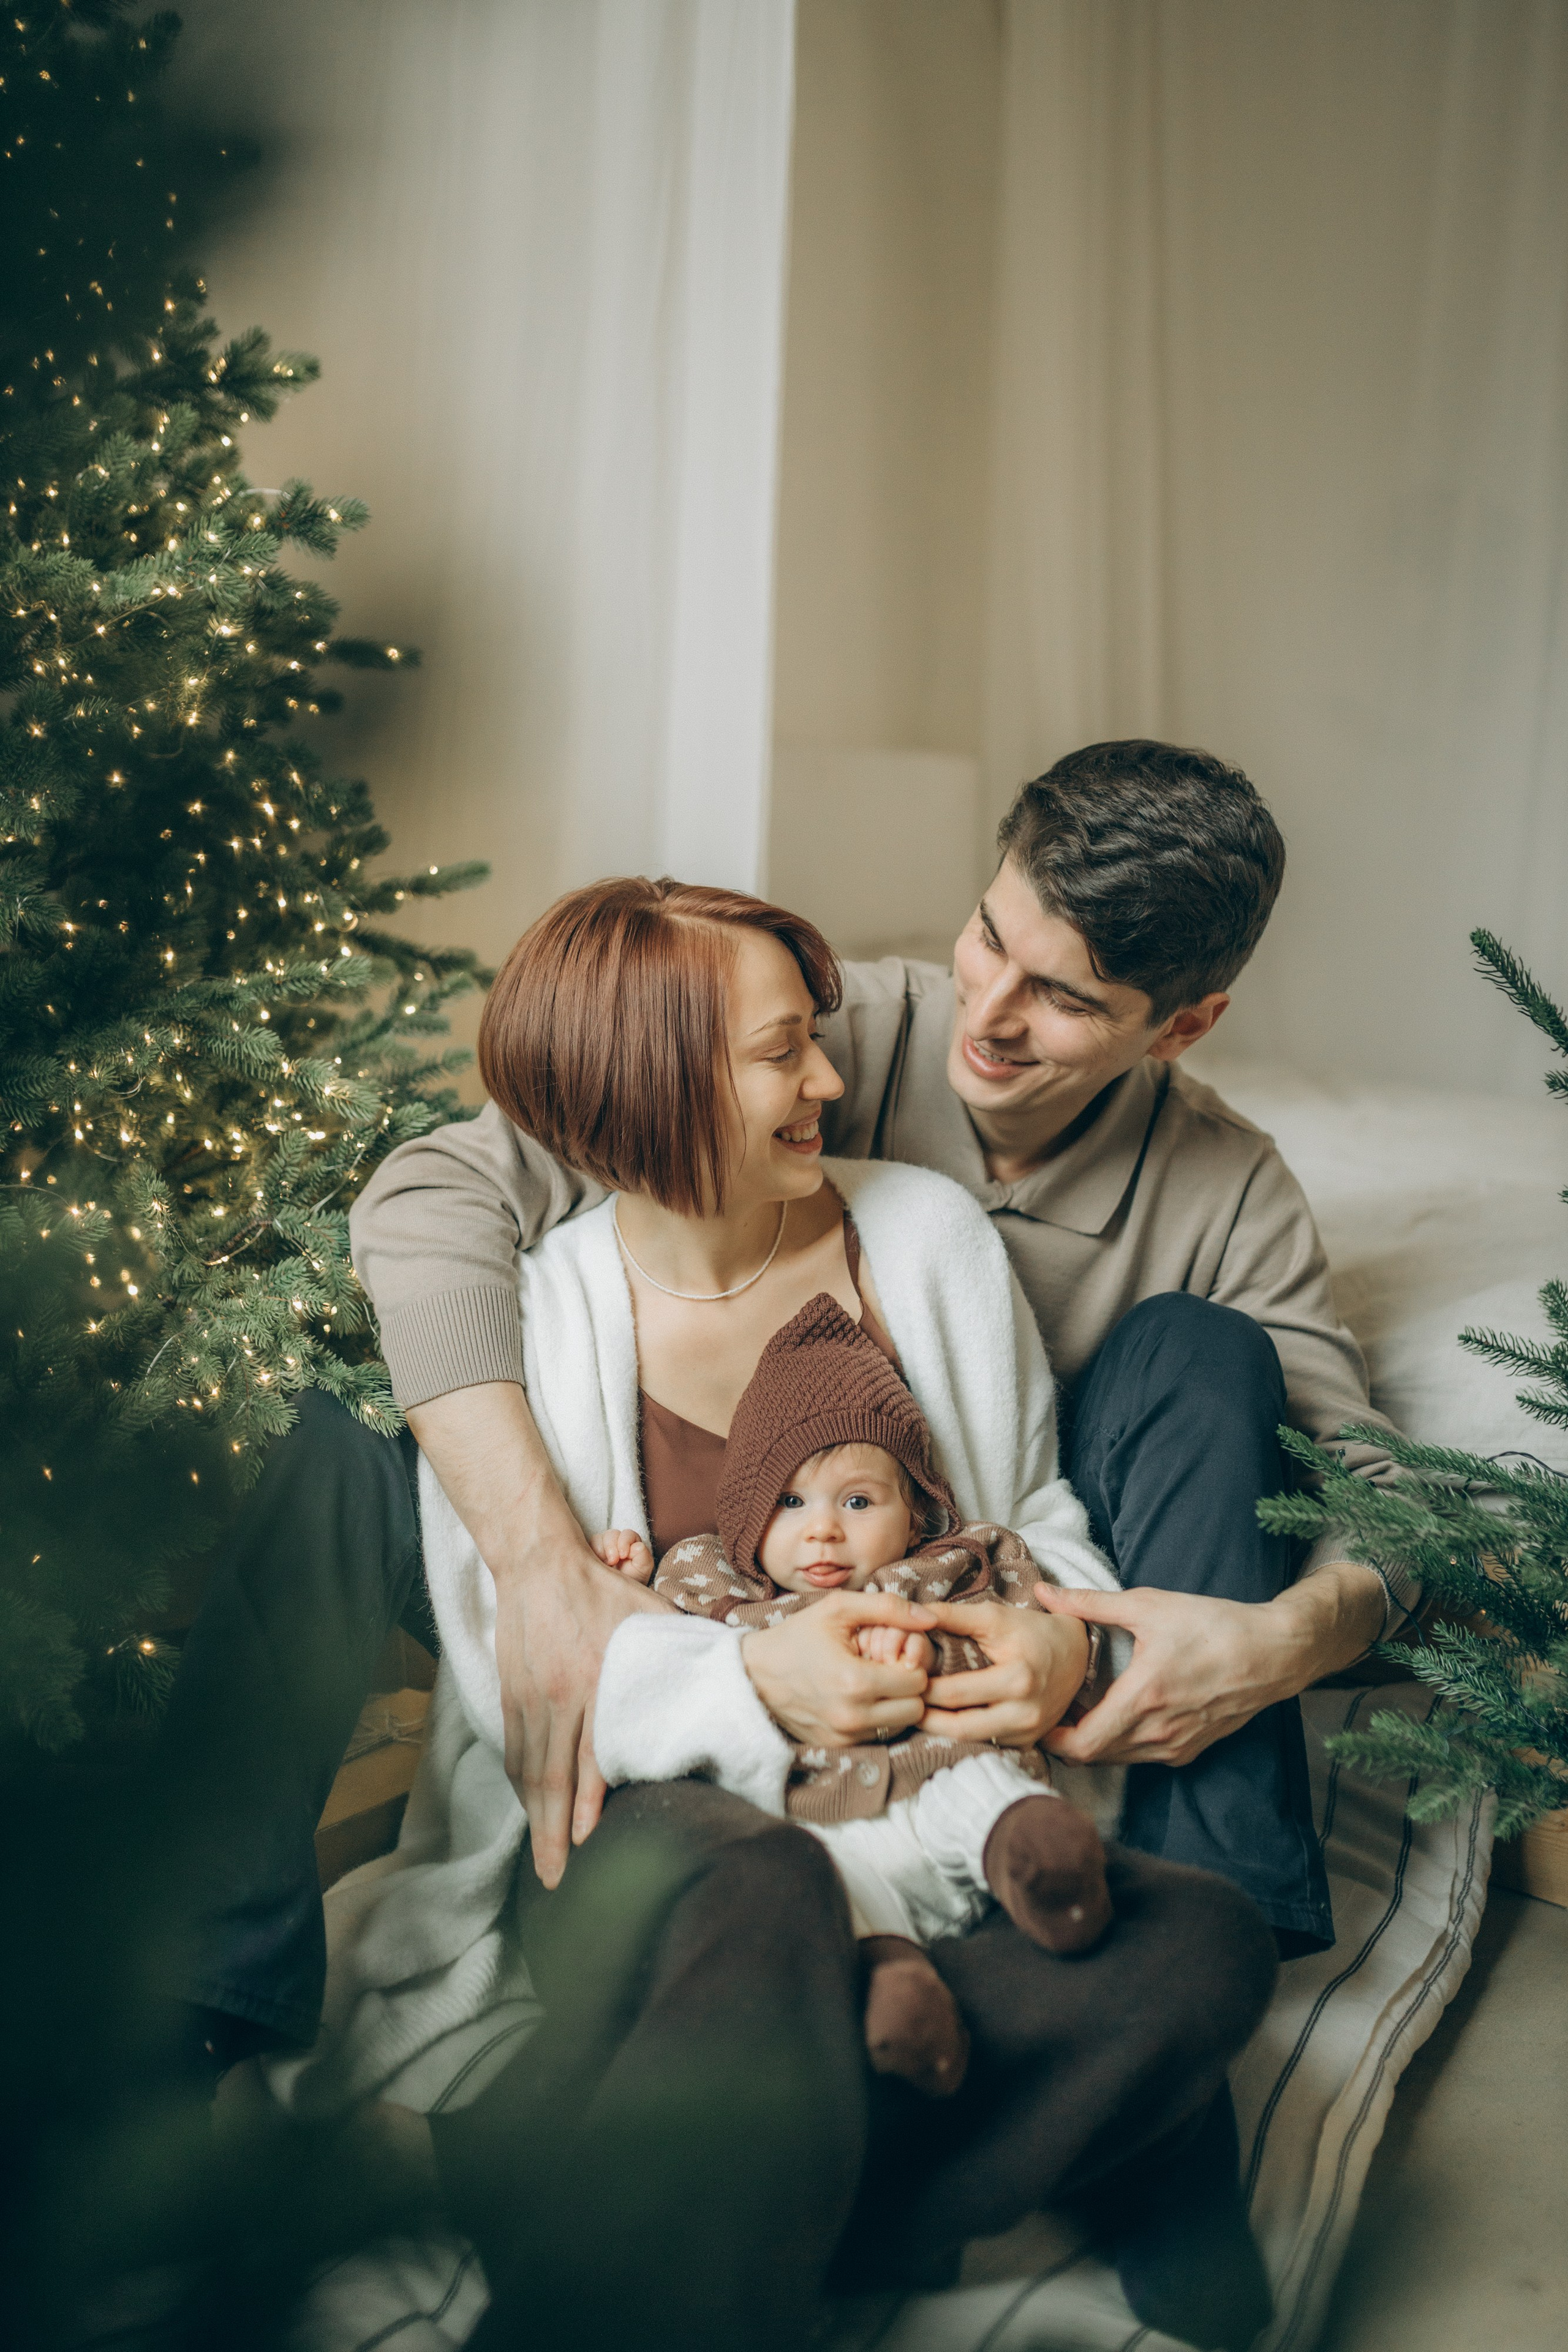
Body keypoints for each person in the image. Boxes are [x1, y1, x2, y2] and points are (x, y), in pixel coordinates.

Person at [254, 878, 1277, 2352]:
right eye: (781, 1053)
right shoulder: (533, 1318)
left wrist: (1054, 1631)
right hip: (650, 1828)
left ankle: (565, 2179)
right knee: (769, 1892)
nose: (830, 1083)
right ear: (654, 1080)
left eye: (816, 1041)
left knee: (1200, 1944)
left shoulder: (921, 1237)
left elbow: (1029, 1509)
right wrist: (754, 1688)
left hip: (916, 1814)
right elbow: (512, 1667)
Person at [339, 739, 1410, 1962]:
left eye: (1065, 999)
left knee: (1205, 1352)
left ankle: (1205, 1910)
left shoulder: (1228, 1190)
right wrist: (538, 1559)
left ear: (1183, 1026)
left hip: (1012, 1560)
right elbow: (434, 1194)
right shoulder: (803, 1031)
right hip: (742, 1586)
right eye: (989, 938)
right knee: (325, 1449)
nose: (989, 1018)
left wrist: (1278, 1641)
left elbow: (1375, 1495)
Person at [606, 1288, 1119, 2098]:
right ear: (744, 1520)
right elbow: (657, 1660)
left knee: (979, 1787)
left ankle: (1040, 1864)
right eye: (788, 1502)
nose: (822, 1529)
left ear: (915, 1515)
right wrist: (625, 1582)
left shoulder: (954, 1565)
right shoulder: (717, 1584)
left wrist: (945, 1646)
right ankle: (896, 1984)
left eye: (857, 1501)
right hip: (823, 1817)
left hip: (947, 1779)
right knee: (816, 1881)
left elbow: (1044, 1635)